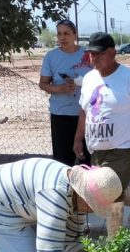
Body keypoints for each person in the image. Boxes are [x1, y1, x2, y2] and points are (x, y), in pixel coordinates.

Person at [73, 32, 130, 228]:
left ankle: (114, 239)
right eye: (91, 54)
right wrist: (78, 138)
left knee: (109, 192)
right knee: (101, 190)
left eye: (98, 54)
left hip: (124, 147)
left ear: (112, 53)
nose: (93, 59)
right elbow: (84, 111)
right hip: (97, 148)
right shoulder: (89, 78)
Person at [39, 19, 91, 166]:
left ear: (75, 35)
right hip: (61, 114)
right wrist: (59, 89)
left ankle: (86, 188)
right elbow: (43, 84)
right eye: (59, 34)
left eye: (66, 33)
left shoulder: (88, 55)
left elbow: (100, 79)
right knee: (62, 161)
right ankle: (63, 188)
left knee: (87, 159)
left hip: (85, 114)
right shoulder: (51, 57)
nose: (62, 37)